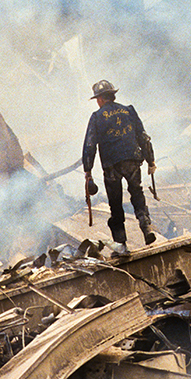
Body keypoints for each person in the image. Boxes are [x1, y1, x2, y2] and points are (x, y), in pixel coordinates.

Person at [82, 79, 156, 255]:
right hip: (132, 159)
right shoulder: (129, 110)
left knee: (115, 204)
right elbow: (143, 137)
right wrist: (151, 161)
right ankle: (147, 228)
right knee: (137, 193)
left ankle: (121, 244)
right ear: (112, 95)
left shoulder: (97, 117)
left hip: (111, 165)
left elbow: (90, 145)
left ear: (100, 99)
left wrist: (88, 170)